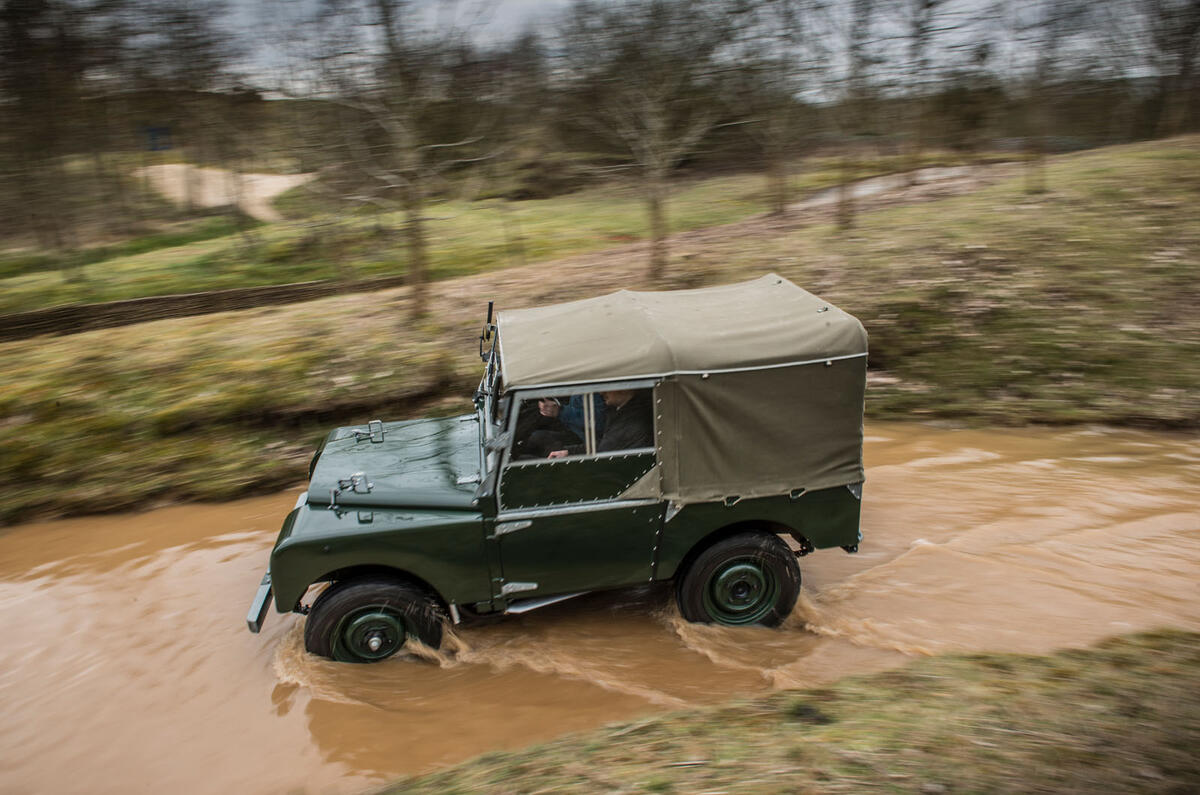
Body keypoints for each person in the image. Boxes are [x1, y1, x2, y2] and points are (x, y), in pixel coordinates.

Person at [547, 389, 653, 458]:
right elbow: (604, 443)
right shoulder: (619, 411)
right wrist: (569, 452)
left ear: (624, 389)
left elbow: (604, 448)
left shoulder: (632, 418)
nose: (602, 392)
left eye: (608, 387)